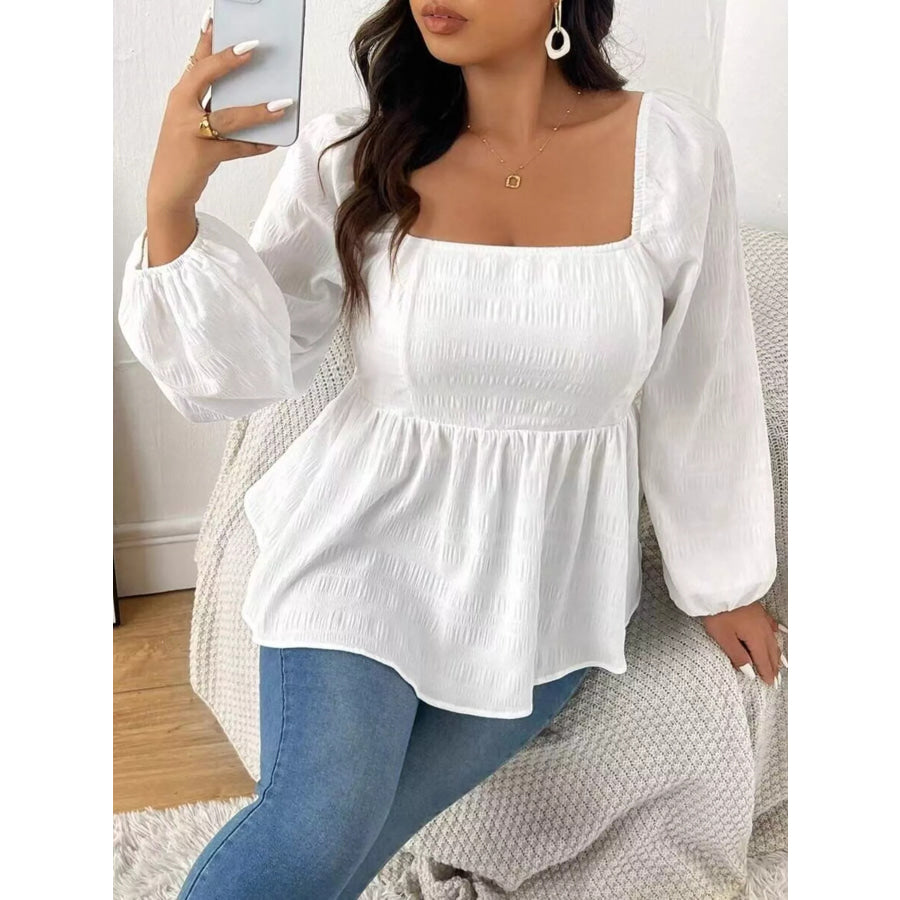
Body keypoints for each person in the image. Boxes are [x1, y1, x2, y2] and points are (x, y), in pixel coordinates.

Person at [117, 2, 785, 897]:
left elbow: (702, 375)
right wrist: (171, 204)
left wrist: (725, 581)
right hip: (355, 548)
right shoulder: (355, 154)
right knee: (317, 830)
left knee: (350, 846)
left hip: (545, 587)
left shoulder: (672, 152)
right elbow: (249, 363)